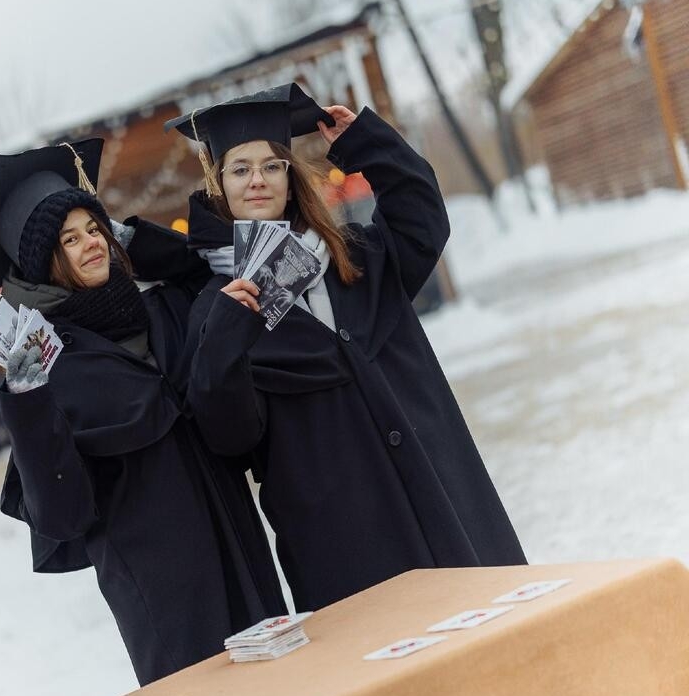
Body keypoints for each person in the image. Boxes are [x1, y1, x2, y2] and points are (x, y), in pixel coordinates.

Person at [165, 83, 526, 614]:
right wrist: (226, 337)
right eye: (240, 169)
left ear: (290, 177)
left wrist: (367, 143)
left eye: (271, 166)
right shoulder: (213, 308)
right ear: (218, 185)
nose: (258, 180)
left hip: (440, 495)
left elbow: (422, 215)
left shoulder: (359, 259)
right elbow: (231, 436)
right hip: (344, 544)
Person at [0, 139, 286, 685]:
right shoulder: (49, 368)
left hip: (239, 546)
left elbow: (205, 268)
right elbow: (63, 515)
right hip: (166, 596)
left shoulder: (160, 310)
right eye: (69, 239)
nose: (90, 244)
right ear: (45, 262)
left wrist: (137, 238)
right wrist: (26, 400)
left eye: (95, 229)